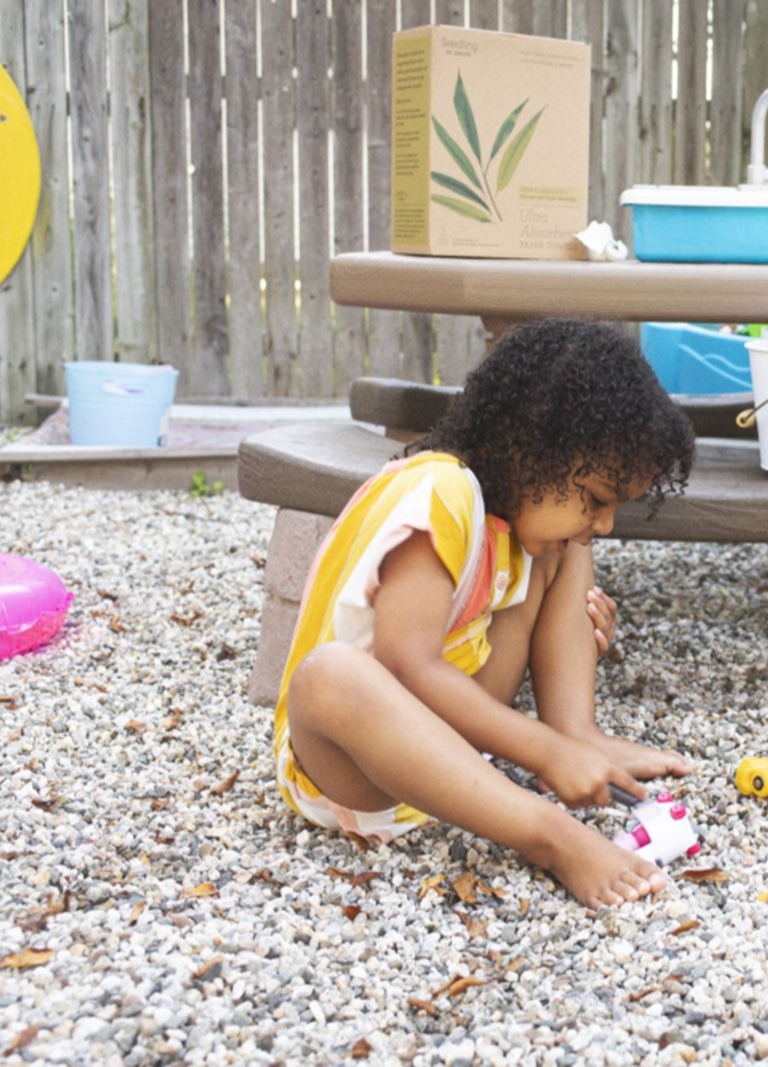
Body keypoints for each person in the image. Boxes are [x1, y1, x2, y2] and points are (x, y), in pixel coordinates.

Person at [272, 318, 696, 909]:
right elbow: (409, 665)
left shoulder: (515, 525)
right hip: (359, 769)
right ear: (527, 448)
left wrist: (576, 634)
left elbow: (477, 640)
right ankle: (549, 836)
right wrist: (542, 752)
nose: (604, 523)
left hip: (456, 757)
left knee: (566, 545)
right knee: (328, 676)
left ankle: (577, 730)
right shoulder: (439, 491)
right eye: (598, 499)